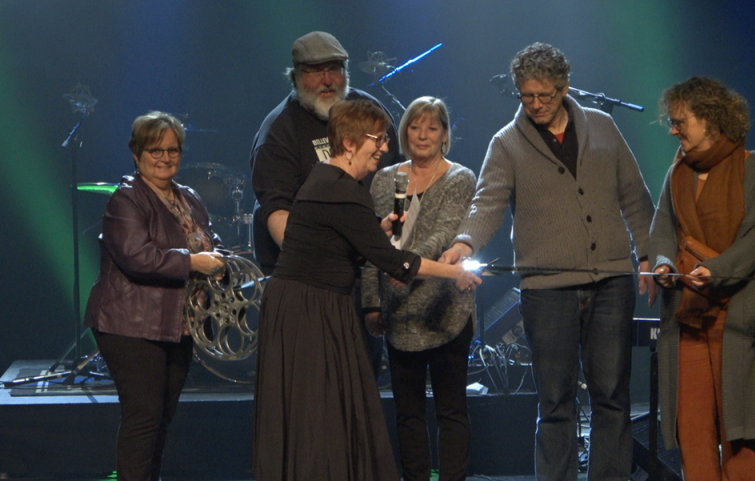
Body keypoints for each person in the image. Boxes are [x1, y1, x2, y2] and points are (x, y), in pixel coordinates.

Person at [440, 43, 654, 481]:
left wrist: (648, 252)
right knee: (555, 402)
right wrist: (464, 244)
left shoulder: (602, 127)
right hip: (547, 287)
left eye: (545, 95)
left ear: (564, 87)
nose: (535, 105)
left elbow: (634, 194)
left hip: (611, 279)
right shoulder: (507, 142)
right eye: (526, 96)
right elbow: (487, 203)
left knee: (611, 396)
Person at [252, 99, 482, 481]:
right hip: (309, 310)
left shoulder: (336, 182)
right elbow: (396, 263)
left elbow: (339, 242)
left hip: (317, 304)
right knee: (317, 408)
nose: (385, 147)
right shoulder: (340, 188)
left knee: (332, 407)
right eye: (377, 139)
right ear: (348, 142)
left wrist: (376, 230)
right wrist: (454, 273)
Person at [648, 77, 755, 481]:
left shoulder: (749, 166)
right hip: (687, 315)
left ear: (707, 119)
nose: (673, 130)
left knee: (737, 430)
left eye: (679, 121)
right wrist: (665, 264)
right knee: (692, 427)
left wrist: (717, 270)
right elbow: (662, 230)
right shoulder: (677, 170)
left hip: (734, 315)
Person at [84, 111, 226, 481]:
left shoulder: (190, 197)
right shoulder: (126, 200)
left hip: (178, 324)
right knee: (143, 418)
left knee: (161, 418)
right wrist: (195, 261)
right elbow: (137, 258)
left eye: (172, 150)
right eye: (155, 150)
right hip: (130, 325)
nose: (165, 158)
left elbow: (207, 241)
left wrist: (220, 257)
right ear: (136, 153)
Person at [361, 96, 477, 481]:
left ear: (445, 134)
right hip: (397, 311)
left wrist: (405, 267)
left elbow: (446, 231)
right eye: (414, 126)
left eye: (431, 127)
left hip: (446, 309)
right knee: (407, 412)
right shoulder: (383, 178)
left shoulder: (460, 177)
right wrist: (371, 303)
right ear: (404, 132)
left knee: (451, 409)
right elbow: (370, 244)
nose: (422, 134)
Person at [250, 30, 399, 274]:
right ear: (296, 76)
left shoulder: (370, 112)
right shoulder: (279, 132)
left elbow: (398, 173)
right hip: (305, 274)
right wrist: (318, 264)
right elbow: (277, 212)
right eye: (316, 71)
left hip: (371, 265)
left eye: (335, 69)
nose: (327, 80)